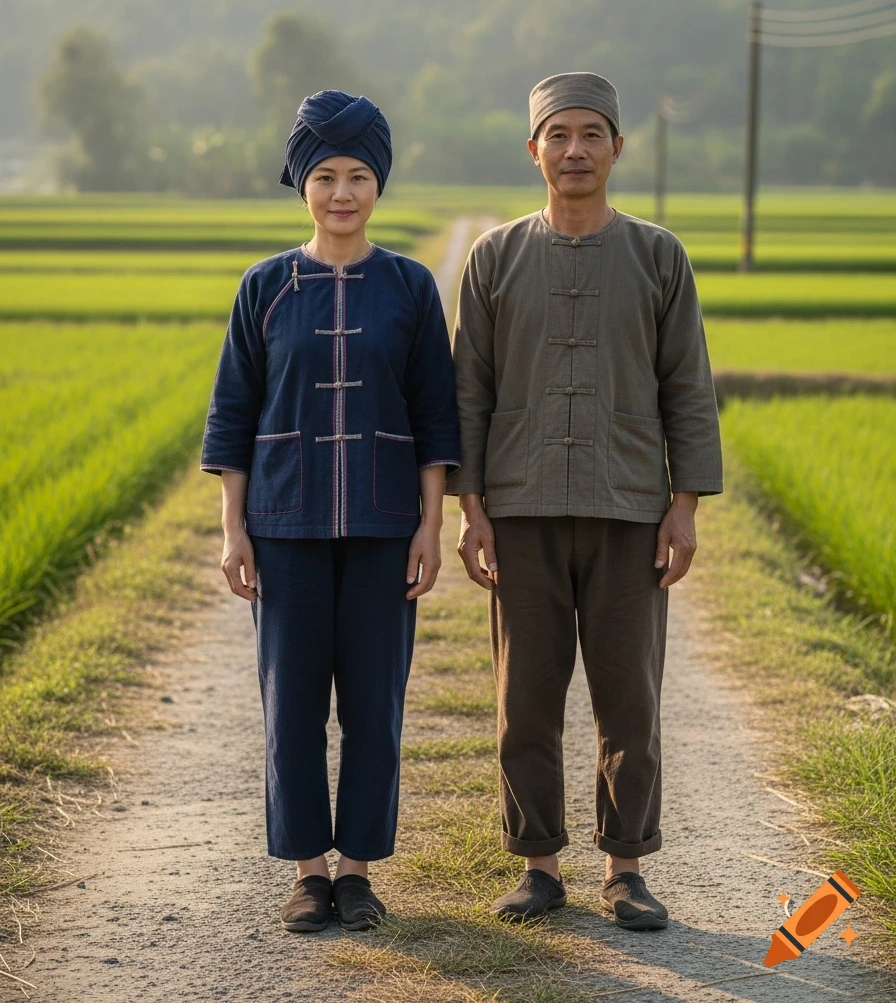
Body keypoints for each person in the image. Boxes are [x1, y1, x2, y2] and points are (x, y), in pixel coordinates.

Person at [448, 72, 722, 929]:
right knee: (525, 696)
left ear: (616, 148)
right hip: (521, 509)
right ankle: (539, 865)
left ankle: (626, 868)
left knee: (628, 696)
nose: (574, 150)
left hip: (630, 506)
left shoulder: (657, 255)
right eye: (557, 135)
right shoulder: (494, 257)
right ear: (534, 150)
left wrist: (685, 506)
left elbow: (688, 384)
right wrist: (471, 509)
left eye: (590, 135)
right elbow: (470, 393)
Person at [201, 90, 460, 934]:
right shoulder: (265, 287)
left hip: (386, 528)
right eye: (324, 176)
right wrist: (233, 526)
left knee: (376, 705)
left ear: (378, 185)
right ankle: (308, 873)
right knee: (292, 707)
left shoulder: (409, 288)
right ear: (301, 185)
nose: (341, 192)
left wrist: (430, 524)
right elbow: (232, 413)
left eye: (357, 176)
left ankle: (358, 872)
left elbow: (434, 416)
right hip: (284, 525)